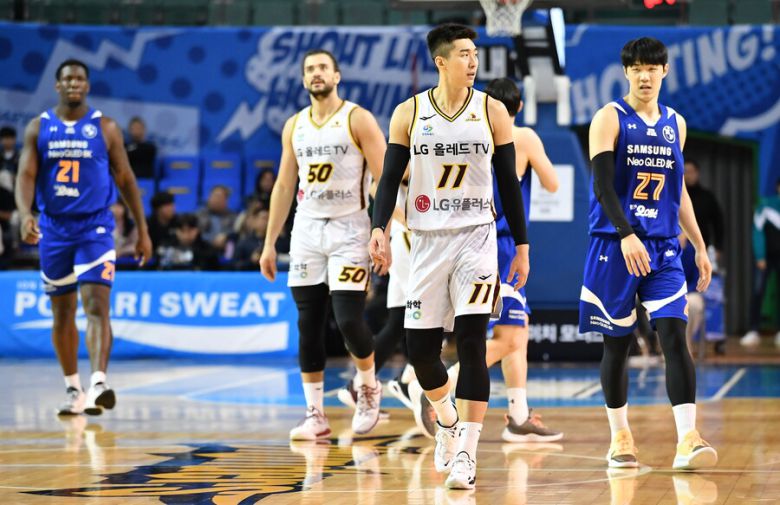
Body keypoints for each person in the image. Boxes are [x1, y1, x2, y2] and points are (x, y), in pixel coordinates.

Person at [370, 24, 530, 490]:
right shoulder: (409, 112)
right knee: (420, 352)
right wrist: (379, 228)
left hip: (477, 239)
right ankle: (446, 419)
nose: (473, 61)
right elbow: (388, 179)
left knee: (473, 342)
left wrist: (522, 246)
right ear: (441, 61)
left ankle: (466, 454)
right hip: (426, 240)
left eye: (475, 53)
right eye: (464, 54)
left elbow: (509, 184)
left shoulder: (492, 110)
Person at [579, 38, 717, 471]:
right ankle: (620, 437)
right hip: (615, 245)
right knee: (617, 346)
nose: (644, 75)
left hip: (662, 249)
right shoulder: (609, 117)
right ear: (626, 72)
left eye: (652, 68)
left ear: (665, 71)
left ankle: (688, 439)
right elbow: (602, 185)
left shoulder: (677, 123)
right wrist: (626, 234)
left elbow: (679, 195)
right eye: (637, 68)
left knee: (674, 335)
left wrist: (699, 245)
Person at [259, 48, 387, 439]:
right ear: (303, 79)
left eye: (323, 68)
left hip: (351, 228)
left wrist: (383, 230)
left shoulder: (357, 118)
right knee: (308, 323)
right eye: (310, 69)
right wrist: (269, 243)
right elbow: (284, 186)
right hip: (307, 231)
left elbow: (384, 178)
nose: (316, 73)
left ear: (337, 75)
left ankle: (368, 385)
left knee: (348, 319)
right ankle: (315, 414)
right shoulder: (294, 125)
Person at [15, 59, 152, 416]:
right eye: (67, 79)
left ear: (87, 86)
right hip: (54, 228)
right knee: (62, 312)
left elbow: (126, 179)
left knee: (96, 304)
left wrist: (142, 230)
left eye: (80, 79)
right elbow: (26, 175)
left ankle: (98, 384)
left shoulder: (105, 127)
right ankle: (73, 388)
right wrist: (25, 213)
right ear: (57, 85)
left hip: (95, 227)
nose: (74, 83)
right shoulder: (39, 127)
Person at [438, 77, 562, 443]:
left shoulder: (468, 136)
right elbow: (553, 183)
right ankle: (432, 385)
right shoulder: (521, 136)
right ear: (518, 107)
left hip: (467, 242)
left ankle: (519, 416)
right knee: (509, 338)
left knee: (516, 334)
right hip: (502, 247)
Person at [741, 177, 780, 347]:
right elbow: (757, 231)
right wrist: (760, 256)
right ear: (778, 188)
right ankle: (753, 330)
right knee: (758, 291)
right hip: (766, 258)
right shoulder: (765, 206)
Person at [196, 184, 236, 252]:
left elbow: (236, 232)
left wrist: (226, 236)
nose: (216, 200)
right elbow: (197, 233)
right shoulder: (199, 215)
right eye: (213, 196)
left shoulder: (233, 217)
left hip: (225, 249)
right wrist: (211, 240)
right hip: (204, 250)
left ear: (226, 200)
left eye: (219, 197)